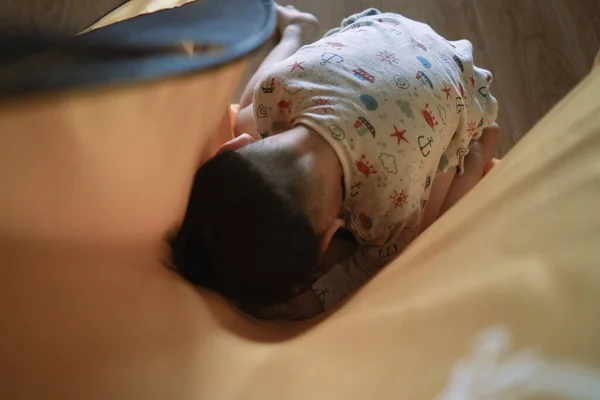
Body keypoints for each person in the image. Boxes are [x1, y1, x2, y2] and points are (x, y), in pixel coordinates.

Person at [171, 5, 499, 319]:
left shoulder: (390, 204)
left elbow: (376, 263)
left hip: (458, 84)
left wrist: (317, 299)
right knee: (247, 114)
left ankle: (480, 148)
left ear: (330, 235)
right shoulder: (275, 90)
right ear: (233, 147)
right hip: (389, 33)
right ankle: (294, 33)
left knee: (423, 236)